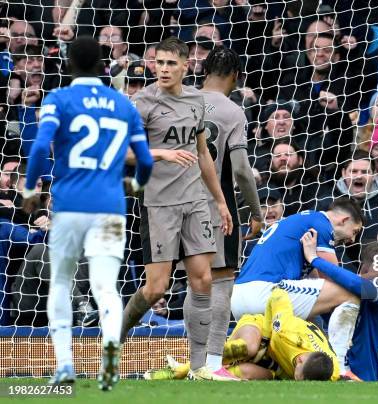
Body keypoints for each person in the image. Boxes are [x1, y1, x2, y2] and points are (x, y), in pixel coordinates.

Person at [23, 36, 154, 390]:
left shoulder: (59, 99)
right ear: (101, 65)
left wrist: (30, 189)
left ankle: (64, 365)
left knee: (61, 283)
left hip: (67, 210)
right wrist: (137, 186)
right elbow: (145, 160)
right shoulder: (123, 105)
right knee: (105, 287)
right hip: (110, 209)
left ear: (67, 65)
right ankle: (109, 364)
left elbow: (38, 148)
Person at [119, 37, 233, 381]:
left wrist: (220, 201)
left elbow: (202, 154)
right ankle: (114, 340)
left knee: (203, 280)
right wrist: (162, 153)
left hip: (195, 202)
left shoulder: (197, 101)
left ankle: (199, 367)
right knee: (156, 288)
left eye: (171, 63)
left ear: (186, 66)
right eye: (160, 63)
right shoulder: (141, 103)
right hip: (158, 205)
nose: (164, 69)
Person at [230, 197, 364, 379]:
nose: (352, 239)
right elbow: (335, 280)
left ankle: (215, 367)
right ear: (344, 220)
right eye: (355, 232)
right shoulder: (322, 225)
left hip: (240, 298)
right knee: (349, 294)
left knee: (308, 325)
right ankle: (339, 366)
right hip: (266, 292)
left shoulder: (302, 220)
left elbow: (316, 285)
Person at [198, 45, 263, 379]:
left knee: (160, 284)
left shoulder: (179, 101)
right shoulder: (233, 111)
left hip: (169, 206)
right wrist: (256, 211)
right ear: (237, 77)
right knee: (221, 284)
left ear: (203, 70)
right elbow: (239, 170)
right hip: (214, 209)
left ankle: (112, 351)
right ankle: (209, 365)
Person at [145, 288, 339, 381]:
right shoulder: (287, 332)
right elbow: (278, 294)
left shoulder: (331, 371)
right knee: (250, 348)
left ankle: (194, 379)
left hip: (275, 363)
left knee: (250, 374)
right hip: (262, 332)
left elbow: (346, 377)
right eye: (298, 378)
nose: (298, 382)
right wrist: (269, 334)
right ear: (299, 362)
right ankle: (182, 369)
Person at [300, 230, 378, 381]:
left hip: (357, 376)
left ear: (364, 267)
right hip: (371, 375)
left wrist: (314, 259)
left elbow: (354, 282)